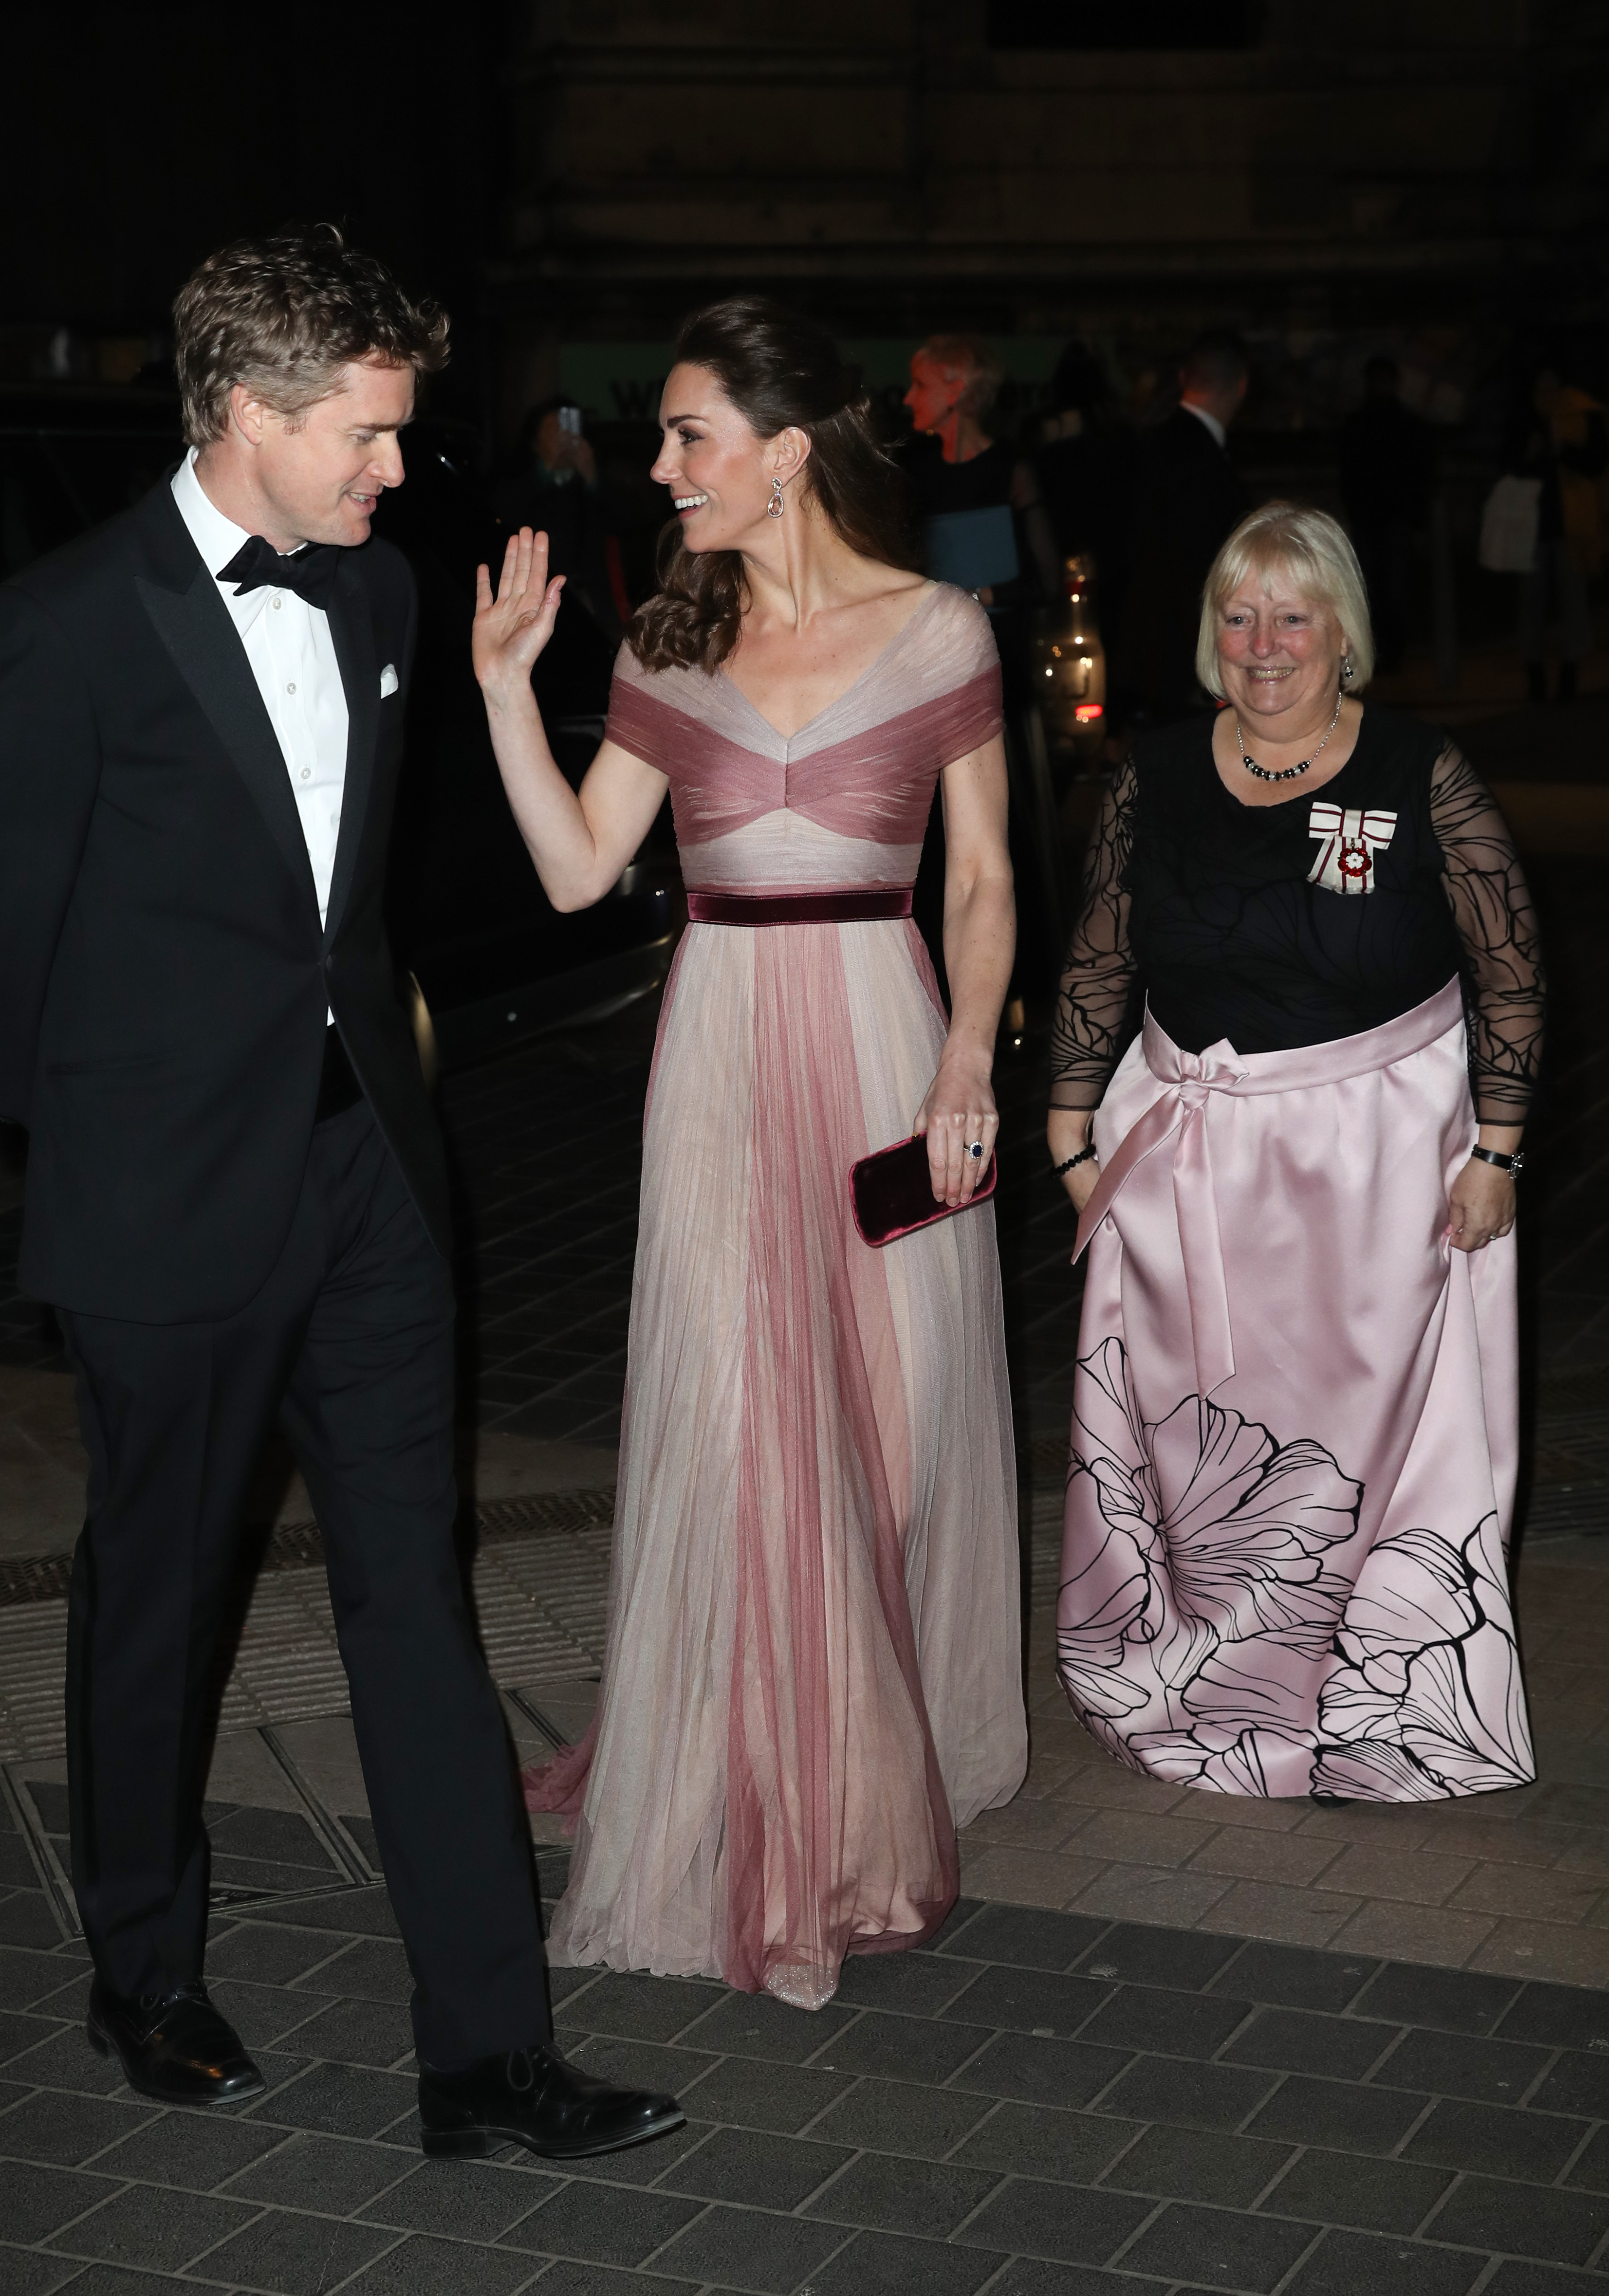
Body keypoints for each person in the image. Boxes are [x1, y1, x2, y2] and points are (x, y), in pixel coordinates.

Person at [0, 226, 680, 2162]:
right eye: (371, 437)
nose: (399, 472)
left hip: (367, 1178)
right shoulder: (62, 625)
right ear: (246, 411)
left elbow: (357, 912)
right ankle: (145, 1968)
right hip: (162, 1208)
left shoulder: (383, 596)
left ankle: (486, 2052)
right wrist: (114, 1151)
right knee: (160, 1601)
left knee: (415, 1603)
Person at [473, 296, 1027, 2008]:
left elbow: (986, 878)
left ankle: (874, 1732)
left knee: (893, 1407)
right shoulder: (665, 643)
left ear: (786, 452)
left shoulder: (941, 631)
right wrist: (506, 694)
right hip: (717, 1044)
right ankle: (780, 1789)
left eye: (689, 435)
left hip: (880, 1036)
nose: (660, 464)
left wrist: (959, 1060)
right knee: (741, 1411)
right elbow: (579, 872)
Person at [1047, 501, 1543, 1802]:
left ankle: (1385, 1692)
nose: (1262, 644)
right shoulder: (1151, 770)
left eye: (1292, 617)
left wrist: (1497, 1145)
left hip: (1378, 1170)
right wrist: (1067, 1131)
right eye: (1237, 614)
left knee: (1367, 1442)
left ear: (1342, 635)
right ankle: (1205, 1679)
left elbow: (1511, 963)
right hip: (1186, 1156)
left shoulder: (1417, 768)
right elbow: (1101, 947)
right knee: (1198, 1437)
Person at [1113, 329, 1249, 725]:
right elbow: (1196, 568)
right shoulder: (1200, 460)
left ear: (1183, 380)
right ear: (1241, 386)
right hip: (1182, 659)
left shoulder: (1156, 444)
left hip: (1149, 652)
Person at [902, 333, 1060, 603]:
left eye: (921, 385)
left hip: (1003, 638)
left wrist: (974, 597)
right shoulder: (916, 473)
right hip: (941, 640)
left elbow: (1049, 581)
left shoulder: (1012, 469)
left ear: (956, 391)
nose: (908, 399)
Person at [1502, 363, 1606, 704]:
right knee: (1530, 605)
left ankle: (1567, 680)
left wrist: (1563, 450)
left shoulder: (1581, 412)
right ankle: (1535, 679)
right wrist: (1529, 453)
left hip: (1570, 525)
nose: (1546, 388)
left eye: (1552, 380)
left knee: (1572, 603)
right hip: (1530, 527)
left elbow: (1595, 461)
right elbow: (1507, 463)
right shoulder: (1523, 416)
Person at [495, 396, 631, 636]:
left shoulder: (597, 482)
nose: (565, 439)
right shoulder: (518, 484)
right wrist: (546, 471)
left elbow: (626, 523)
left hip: (596, 607)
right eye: (554, 432)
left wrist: (592, 478)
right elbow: (504, 516)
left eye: (569, 429)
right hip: (537, 606)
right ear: (535, 443)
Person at [1338, 355, 1437, 678]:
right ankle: (1379, 649)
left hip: (1391, 517)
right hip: (1374, 517)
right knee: (1372, 586)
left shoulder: (1399, 425)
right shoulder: (1367, 425)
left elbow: (1420, 471)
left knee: (1392, 586)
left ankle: (1390, 650)